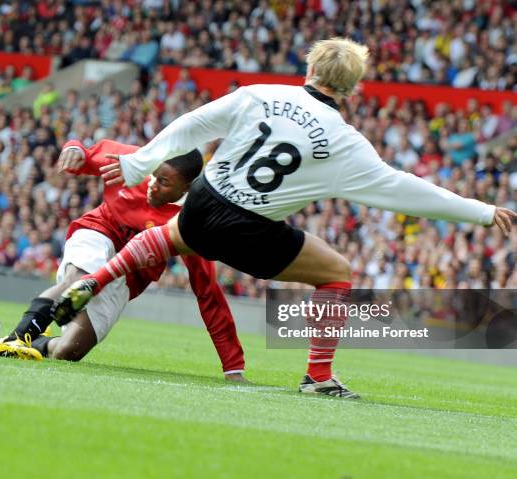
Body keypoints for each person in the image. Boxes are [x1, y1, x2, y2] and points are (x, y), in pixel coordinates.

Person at [55, 38, 516, 399]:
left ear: (311, 70)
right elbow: (403, 189)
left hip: (200, 202)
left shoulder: (259, 94)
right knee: (337, 272)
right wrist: (480, 211)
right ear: (353, 89)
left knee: (177, 234)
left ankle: (97, 278)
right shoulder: (344, 141)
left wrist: (140, 162)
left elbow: (191, 125)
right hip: (245, 228)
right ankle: (318, 375)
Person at [0, 139, 247, 382]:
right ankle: (16, 339)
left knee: (69, 351)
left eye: (165, 182)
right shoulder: (132, 161)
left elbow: (208, 293)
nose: (153, 184)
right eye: (155, 174)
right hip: (99, 232)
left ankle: (38, 343)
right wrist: (74, 149)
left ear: (187, 188)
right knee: (76, 279)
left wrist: (232, 366)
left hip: (128, 277)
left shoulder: (190, 224)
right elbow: (85, 154)